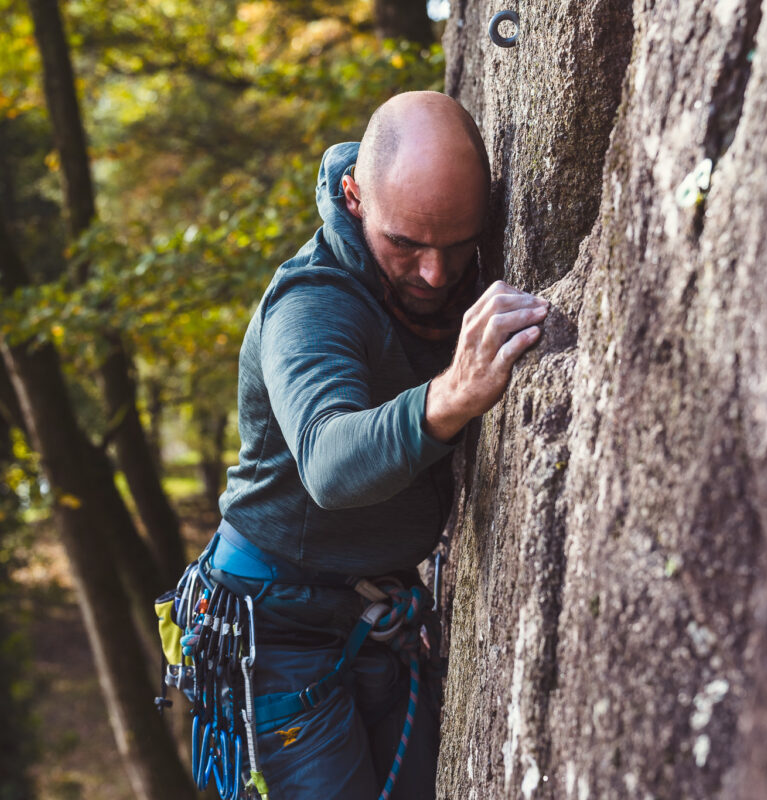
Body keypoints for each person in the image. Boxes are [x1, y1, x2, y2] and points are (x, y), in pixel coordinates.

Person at [198, 90, 548, 799]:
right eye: (407, 245)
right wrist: (451, 395)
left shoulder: (439, 266)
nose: (436, 275)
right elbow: (329, 462)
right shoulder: (311, 302)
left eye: (458, 245)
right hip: (277, 636)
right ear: (355, 198)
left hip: (376, 611)